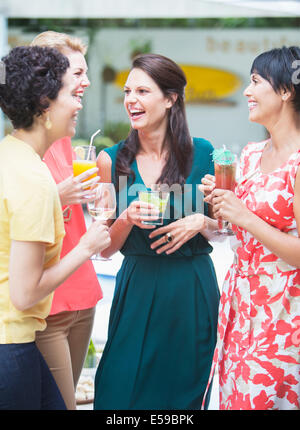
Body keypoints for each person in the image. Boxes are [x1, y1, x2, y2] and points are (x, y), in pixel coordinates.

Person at [93, 53, 220, 410]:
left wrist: (203, 222)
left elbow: (229, 229)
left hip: (191, 291)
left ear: (170, 98)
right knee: (119, 392)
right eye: (127, 91)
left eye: (143, 91)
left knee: (182, 398)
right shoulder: (112, 159)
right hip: (137, 287)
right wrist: (126, 218)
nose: (131, 100)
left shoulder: (206, 154)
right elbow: (103, 249)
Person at [0, 45, 111, 410]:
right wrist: (86, 248)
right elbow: (25, 293)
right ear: (45, 104)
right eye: (70, 92)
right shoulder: (34, 179)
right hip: (11, 345)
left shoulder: (9, 154)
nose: (79, 102)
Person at [202, 46, 300, 410]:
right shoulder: (251, 155)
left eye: (256, 81)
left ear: (287, 91)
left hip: (284, 313)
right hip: (241, 307)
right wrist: (218, 209)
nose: (246, 90)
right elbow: (231, 230)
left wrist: (244, 215)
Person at [30, 31, 102, 410]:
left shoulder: (64, 140)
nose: (86, 82)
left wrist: (90, 198)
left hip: (84, 297)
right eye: (77, 73)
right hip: (49, 305)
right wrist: (62, 195)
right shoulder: (27, 149)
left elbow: (70, 216)